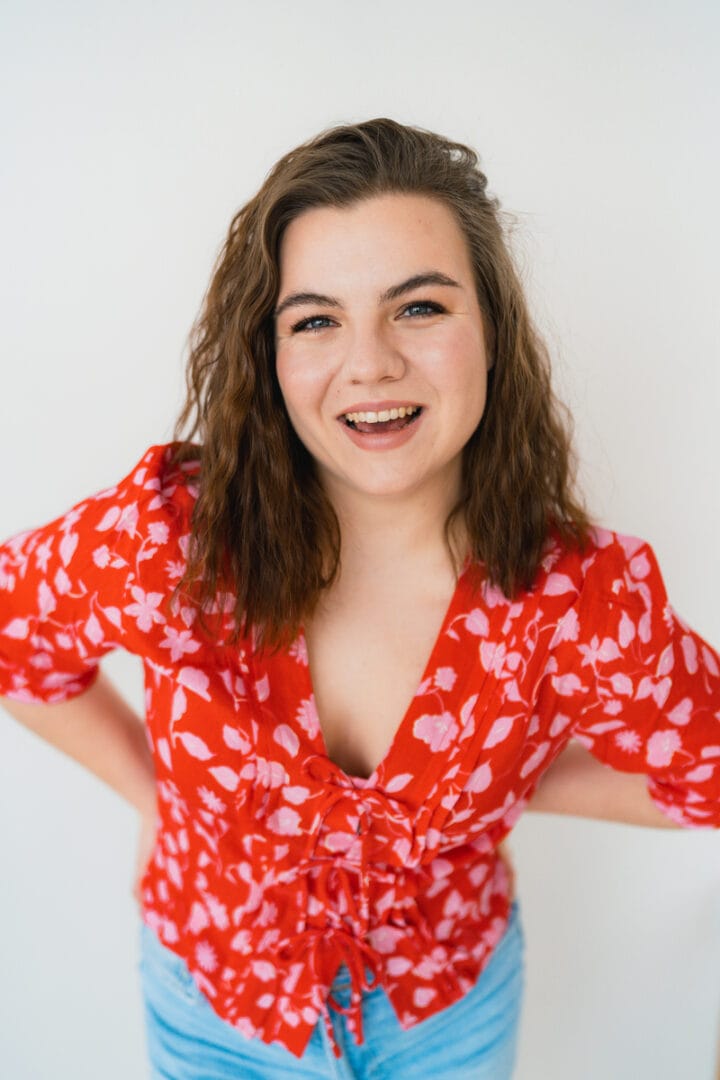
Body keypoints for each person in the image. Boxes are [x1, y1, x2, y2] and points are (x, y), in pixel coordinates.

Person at [1, 117, 718, 1080]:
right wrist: (155, 797)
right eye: (315, 320)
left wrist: (515, 783)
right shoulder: (166, 546)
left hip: (449, 1017)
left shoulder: (582, 602)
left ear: (493, 333)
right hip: (211, 1008)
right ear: (269, 355)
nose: (371, 362)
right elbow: (15, 637)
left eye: (418, 307)